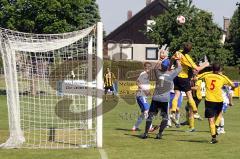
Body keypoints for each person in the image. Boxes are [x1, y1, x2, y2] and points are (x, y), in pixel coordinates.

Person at [170, 42, 209, 132]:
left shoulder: (178, 52)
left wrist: (169, 67)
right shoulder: (188, 58)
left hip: (176, 77)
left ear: (183, 47)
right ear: (190, 50)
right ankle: (195, 112)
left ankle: (172, 111)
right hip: (184, 78)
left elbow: (172, 59)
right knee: (189, 96)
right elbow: (197, 69)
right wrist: (205, 64)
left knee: (176, 95)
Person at [142, 56, 182, 139]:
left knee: (150, 116)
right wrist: (177, 60)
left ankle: (146, 133)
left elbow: (155, 67)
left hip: (155, 98)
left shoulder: (158, 72)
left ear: (162, 66)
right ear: (168, 67)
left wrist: (160, 60)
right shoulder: (171, 74)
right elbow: (180, 68)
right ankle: (159, 134)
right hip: (164, 100)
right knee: (165, 118)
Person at [197, 63, 236, 144]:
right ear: (220, 70)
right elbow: (233, 85)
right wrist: (231, 87)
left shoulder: (207, 74)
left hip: (209, 100)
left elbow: (197, 77)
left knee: (210, 120)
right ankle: (217, 125)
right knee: (220, 114)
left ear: (212, 68)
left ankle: (213, 138)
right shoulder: (222, 77)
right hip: (219, 100)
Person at [132, 62, 152, 131]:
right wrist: (145, 90)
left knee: (143, 113)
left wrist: (147, 91)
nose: (149, 68)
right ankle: (150, 127)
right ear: (146, 68)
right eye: (148, 67)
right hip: (141, 95)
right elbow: (137, 82)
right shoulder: (144, 74)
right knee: (147, 110)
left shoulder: (145, 74)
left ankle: (135, 127)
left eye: (149, 67)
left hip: (141, 95)